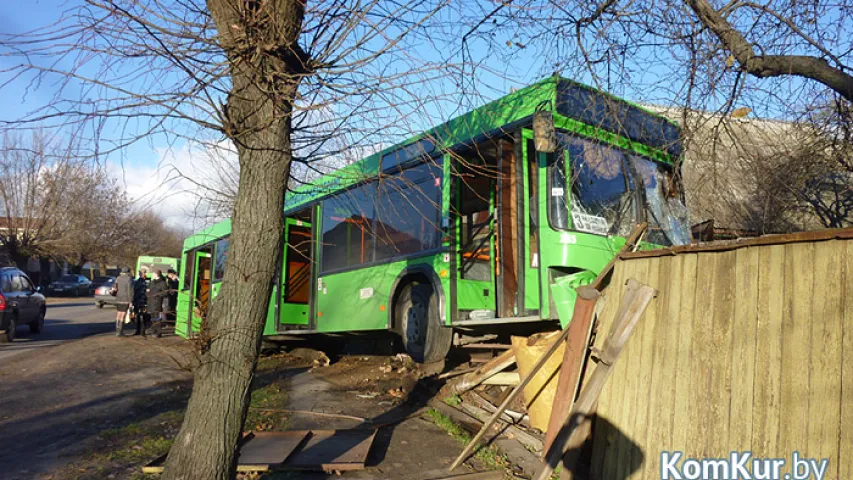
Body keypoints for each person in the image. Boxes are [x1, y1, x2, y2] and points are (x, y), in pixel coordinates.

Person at [113, 267, 134, 336]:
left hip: (118, 298)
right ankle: (120, 331)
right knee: (123, 315)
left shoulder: (118, 278)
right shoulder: (129, 279)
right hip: (125, 299)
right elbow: (130, 291)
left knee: (118, 314)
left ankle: (117, 330)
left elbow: (115, 287)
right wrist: (131, 301)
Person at [147, 270, 167, 337]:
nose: (152, 275)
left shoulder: (162, 283)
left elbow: (165, 292)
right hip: (150, 302)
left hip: (157, 302)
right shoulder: (151, 282)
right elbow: (148, 290)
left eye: (153, 274)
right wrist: (147, 293)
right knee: (152, 317)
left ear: (156, 275)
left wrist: (157, 295)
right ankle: (153, 331)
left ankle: (158, 332)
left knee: (157, 317)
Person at [133, 268, 149, 336]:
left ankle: (140, 330)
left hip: (140, 301)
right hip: (142, 301)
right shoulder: (145, 282)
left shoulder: (136, 282)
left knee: (140, 316)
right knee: (141, 316)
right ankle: (141, 330)